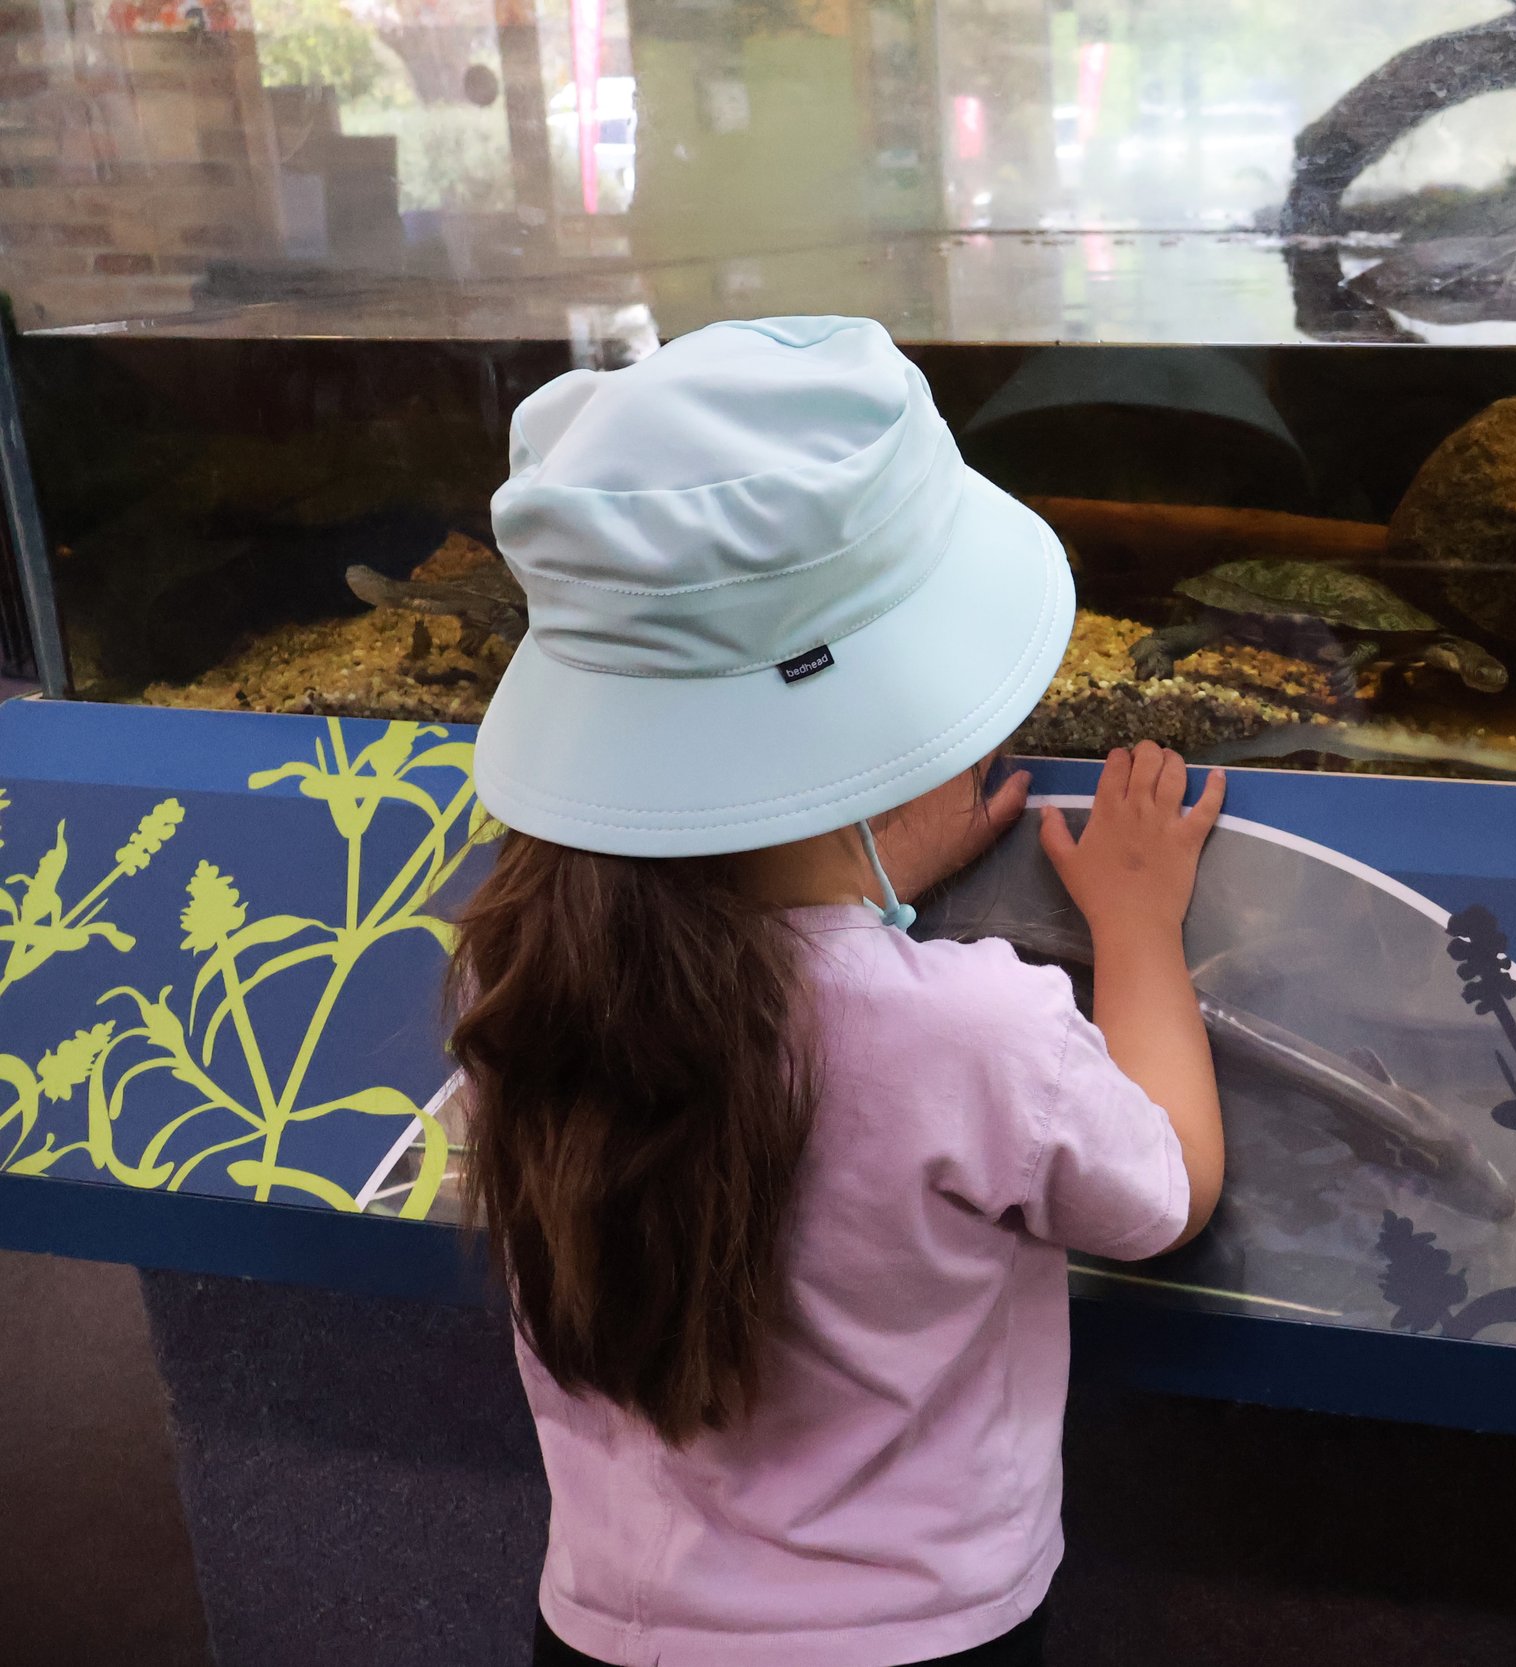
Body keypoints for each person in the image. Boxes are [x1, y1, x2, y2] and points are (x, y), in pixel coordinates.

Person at [445, 315, 1227, 1667]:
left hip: (604, 1629)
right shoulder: (971, 1025)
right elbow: (1163, 1196)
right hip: (917, 1645)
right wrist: (1138, 924)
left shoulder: (525, 987)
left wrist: (859, 848)